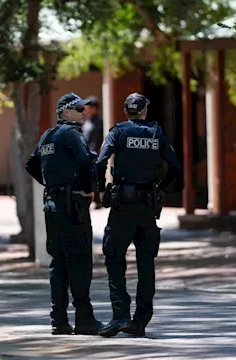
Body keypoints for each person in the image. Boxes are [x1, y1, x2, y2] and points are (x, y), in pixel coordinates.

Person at [95, 92, 181, 337]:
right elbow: (175, 165)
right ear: (144, 111)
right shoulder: (156, 133)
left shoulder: (117, 132)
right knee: (146, 264)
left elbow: (100, 163)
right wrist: (161, 189)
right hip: (146, 207)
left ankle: (119, 316)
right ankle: (140, 321)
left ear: (127, 111)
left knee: (114, 260)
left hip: (122, 206)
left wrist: (101, 191)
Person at [25, 92, 102, 335]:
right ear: (65, 112)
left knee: (58, 264)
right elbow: (87, 163)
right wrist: (89, 192)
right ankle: (84, 320)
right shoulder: (72, 134)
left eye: (84, 109)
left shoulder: (47, 136)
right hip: (73, 207)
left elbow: (31, 164)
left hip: (53, 206)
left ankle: (58, 320)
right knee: (79, 261)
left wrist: (51, 184)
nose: (84, 113)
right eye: (79, 109)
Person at [82, 96, 104, 208]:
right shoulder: (86, 122)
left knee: (94, 178)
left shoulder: (99, 123)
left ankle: (96, 200)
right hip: (85, 154)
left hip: (94, 155)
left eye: (90, 106)